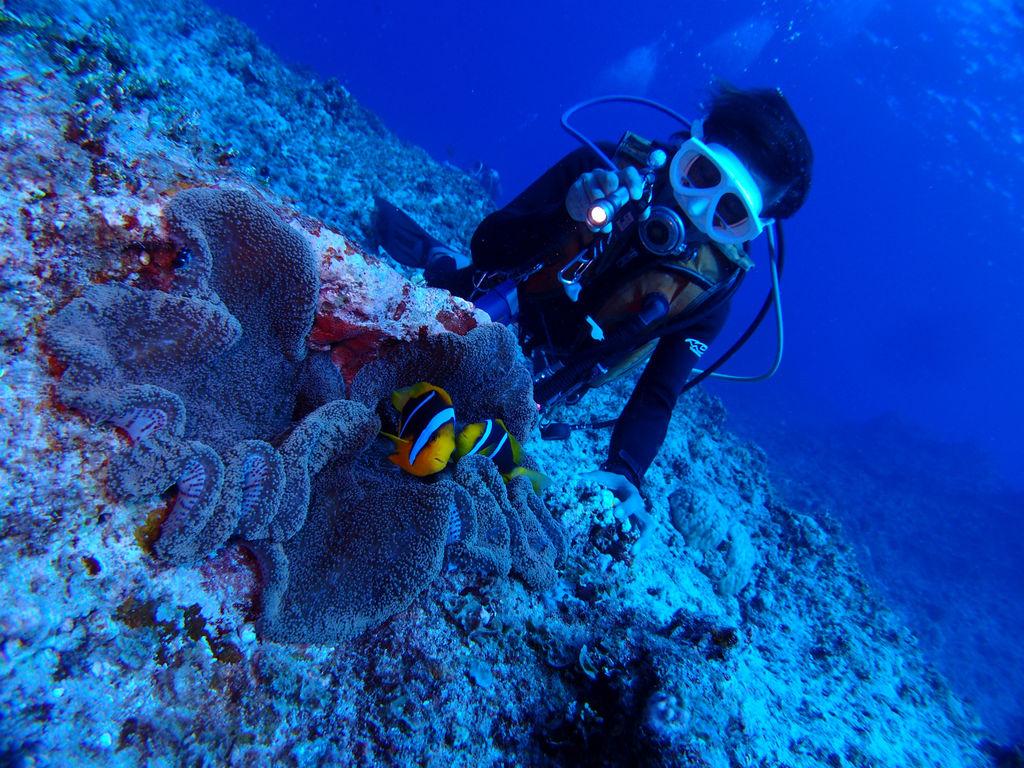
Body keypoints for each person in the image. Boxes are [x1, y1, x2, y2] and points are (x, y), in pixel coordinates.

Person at [375, 85, 813, 527]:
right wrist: (565, 213)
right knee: (445, 288)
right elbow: (489, 243)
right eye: (701, 175)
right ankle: (439, 258)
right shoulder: (599, 167)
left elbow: (658, 394)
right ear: (689, 147)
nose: (697, 208)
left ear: (751, 229)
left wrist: (626, 470)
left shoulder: (709, 297)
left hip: (547, 376)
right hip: (490, 301)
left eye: (730, 211)